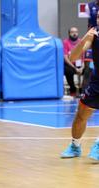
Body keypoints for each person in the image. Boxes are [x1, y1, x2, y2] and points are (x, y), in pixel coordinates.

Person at [61, 11, 99, 159]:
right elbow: (73, 57)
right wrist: (84, 40)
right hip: (97, 82)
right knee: (81, 115)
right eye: (98, 16)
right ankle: (75, 146)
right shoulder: (94, 34)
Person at [63, 27, 84, 96]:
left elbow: (84, 57)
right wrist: (75, 68)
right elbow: (65, 57)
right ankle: (73, 89)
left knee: (89, 69)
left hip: (81, 64)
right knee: (67, 70)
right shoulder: (65, 42)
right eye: (72, 32)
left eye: (76, 32)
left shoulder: (81, 42)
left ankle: (83, 90)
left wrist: (82, 67)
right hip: (70, 64)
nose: (74, 34)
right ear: (69, 34)